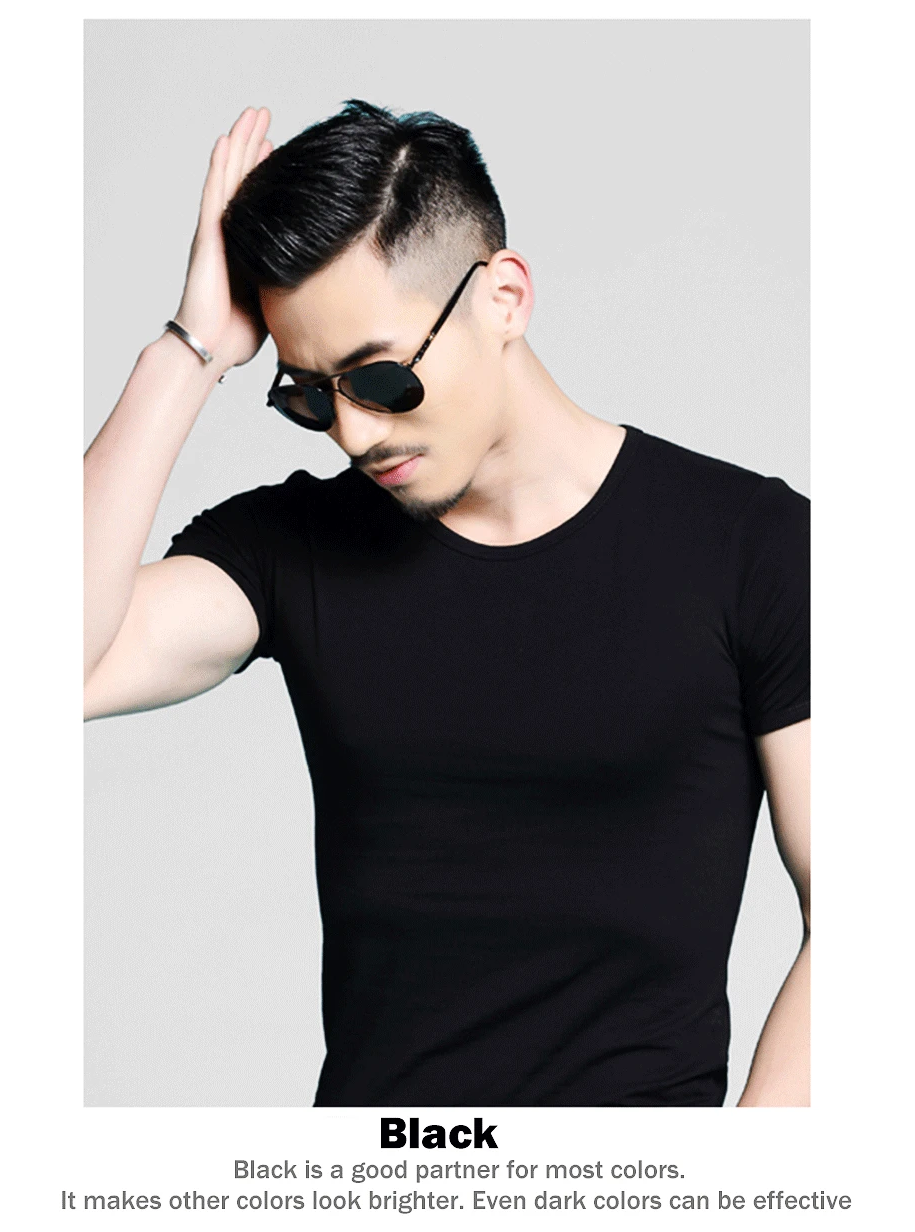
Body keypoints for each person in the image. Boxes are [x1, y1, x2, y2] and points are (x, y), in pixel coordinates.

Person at [84, 100, 810, 1108]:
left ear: (504, 296)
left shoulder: (754, 546)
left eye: (382, 377)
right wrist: (188, 349)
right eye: (310, 395)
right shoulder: (296, 547)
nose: (353, 431)